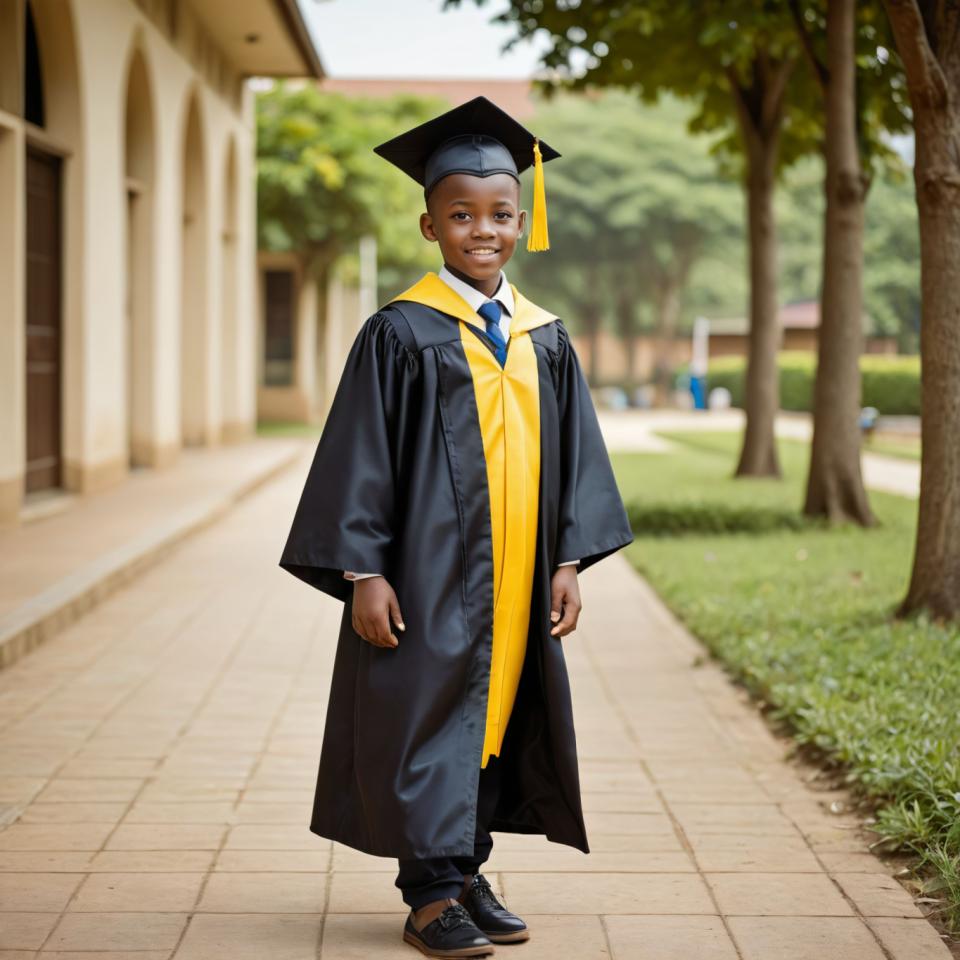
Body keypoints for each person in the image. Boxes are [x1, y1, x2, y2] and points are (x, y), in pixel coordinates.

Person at [279, 96, 633, 959]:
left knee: (495, 715)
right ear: (430, 222)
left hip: (516, 581)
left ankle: (465, 869)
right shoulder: (399, 333)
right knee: (426, 717)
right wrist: (364, 570)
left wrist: (569, 560)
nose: (485, 229)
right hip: (429, 574)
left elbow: (576, 456)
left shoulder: (544, 338)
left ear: (522, 220)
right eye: (463, 214)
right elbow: (358, 457)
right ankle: (431, 891)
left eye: (501, 214)